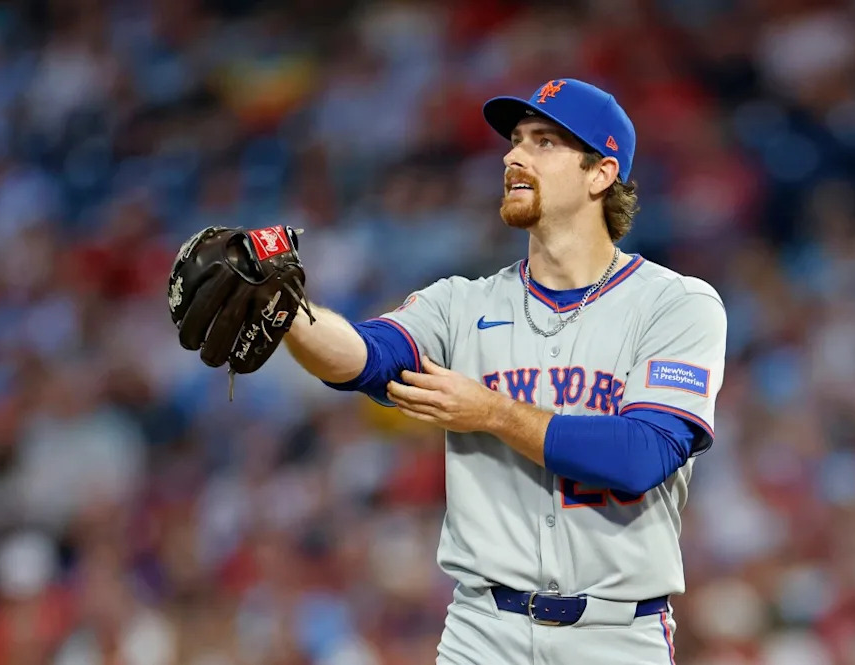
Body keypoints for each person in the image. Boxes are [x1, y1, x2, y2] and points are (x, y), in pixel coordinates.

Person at [252, 78, 726, 664]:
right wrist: (287, 313)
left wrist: (493, 412)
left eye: (545, 142)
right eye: (516, 140)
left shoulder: (675, 303)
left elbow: (639, 457)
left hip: (616, 636)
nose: (514, 155)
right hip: (483, 632)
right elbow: (363, 357)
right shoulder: (461, 303)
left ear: (600, 174)